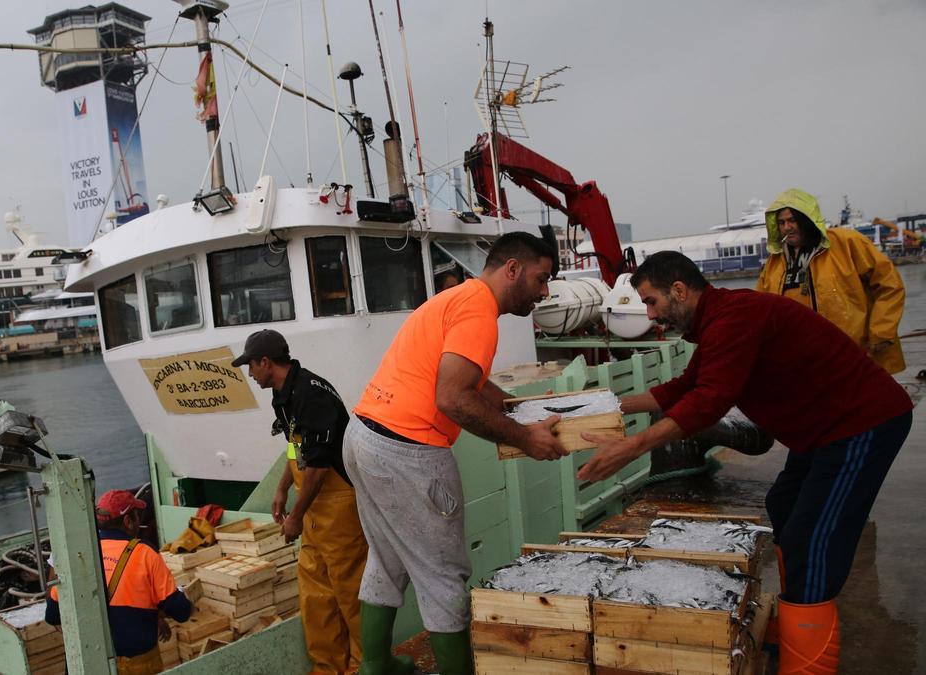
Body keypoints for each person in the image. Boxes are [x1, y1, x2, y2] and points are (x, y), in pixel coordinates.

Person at [578, 251, 913, 674]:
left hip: (860, 424)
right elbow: (685, 386)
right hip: (821, 432)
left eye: (651, 301)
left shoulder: (734, 319)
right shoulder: (718, 319)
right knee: (784, 505)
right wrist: (602, 407)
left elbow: (709, 400)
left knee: (813, 542)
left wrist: (632, 446)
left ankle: (807, 659)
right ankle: (795, 616)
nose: (650, 314)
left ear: (678, 290)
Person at [345, 231, 566, 675]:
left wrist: (517, 409)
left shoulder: (458, 297)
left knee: (386, 557)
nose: (544, 292)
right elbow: (452, 398)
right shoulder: (480, 313)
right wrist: (525, 439)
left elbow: (471, 380)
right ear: (513, 269)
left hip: (364, 436)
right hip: (409, 451)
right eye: (541, 279)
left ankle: (375, 665)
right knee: (443, 574)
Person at [232, 329, 367, 674]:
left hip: (338, 504)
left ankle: (364, 666)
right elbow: (296, 446)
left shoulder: (311, 392)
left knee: (350, 591)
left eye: (251, 365)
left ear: (266, 362)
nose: (250, 373)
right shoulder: (283, 395)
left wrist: (295, 516)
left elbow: (319, 467)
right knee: (315, 593)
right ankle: (327, 666)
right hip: (314, 508)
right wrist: (282, 487)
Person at [756, 188, 906, 374]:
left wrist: (881, 333)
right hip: (801, 364)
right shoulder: (774, 263)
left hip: (854, 356)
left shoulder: (848, 243)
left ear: (808, 218)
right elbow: (760, 312)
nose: (787, 227)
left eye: (792, 220)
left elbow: (890, 285)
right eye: (781, 222)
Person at [46, 489, 191, 675]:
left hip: (90, 665)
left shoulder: (78, 554)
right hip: (136, 666)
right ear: (128, 521)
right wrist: (187, 601)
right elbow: (180, 611)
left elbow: (52, 615)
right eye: (137, 517)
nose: (139, 522)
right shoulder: (145, 553)